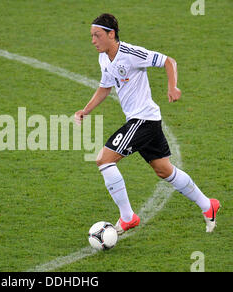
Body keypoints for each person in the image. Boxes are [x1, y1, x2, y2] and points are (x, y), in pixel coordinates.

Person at [74, 13, 221, 233]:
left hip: (143, 119)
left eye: (97, 35)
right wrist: (86, 110)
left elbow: (168, 61)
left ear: (111, 34)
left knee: (104, 160)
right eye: (92, 36)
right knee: (164, 170)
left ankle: (127, 217)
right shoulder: (104, 57)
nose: (93, 40)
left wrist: (172, 87)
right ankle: (208, 205)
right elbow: (105, 87)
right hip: (145, 121)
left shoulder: (131, 53)